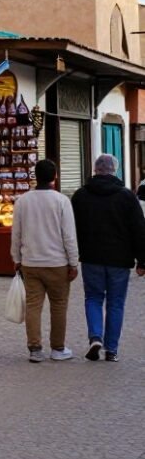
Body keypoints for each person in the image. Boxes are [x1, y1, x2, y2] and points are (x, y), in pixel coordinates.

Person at [71, 154, 145, 362]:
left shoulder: (80, 196)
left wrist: (72, 255)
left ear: (95, 169)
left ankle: (95, 337)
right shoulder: (127, 197)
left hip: (91, 257)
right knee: (116, 303)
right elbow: (139, 229)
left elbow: (71, 228)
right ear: (115, 170)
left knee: (93, 298)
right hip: (119, 260)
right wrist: (143, 260)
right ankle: (111, 349)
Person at [10, 160, 79, 363]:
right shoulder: (61, 201)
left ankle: (35, 348)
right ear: (54, 177)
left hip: (31, 262)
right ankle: (58, 348)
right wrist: (73, 262)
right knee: (58, 305)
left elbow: (17, 233)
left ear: (35, 176)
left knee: (33, 305)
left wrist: (16, 258)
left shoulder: (22, 201)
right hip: (58, 263)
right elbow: (69, 235)